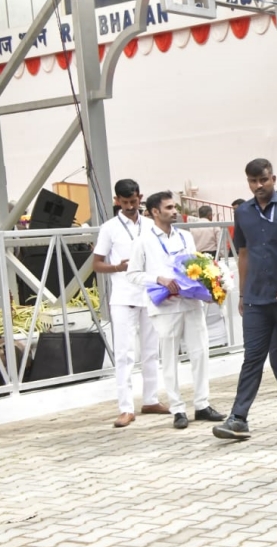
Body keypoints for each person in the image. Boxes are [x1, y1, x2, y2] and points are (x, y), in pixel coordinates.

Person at [213, 159, 277, 440]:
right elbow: (244, 254)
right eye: (252, 181)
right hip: (257, 299)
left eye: (263, 180)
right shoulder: (243, 212)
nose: (258, 186)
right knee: (252, 357)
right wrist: (243, 294)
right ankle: (238, 418)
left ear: (273, 178)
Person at [127, 191, 225, 430]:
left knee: (200, 352)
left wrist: (209, 285)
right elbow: (132, 274)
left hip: (191, 302)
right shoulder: (143, 240)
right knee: (170, 357)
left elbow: (196, 264)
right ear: (154, 212)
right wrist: (158, 279)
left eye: (174, 207)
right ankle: (178, 408)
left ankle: (202, 404)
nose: (174, 211)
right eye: (169, 207)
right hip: (165, 306)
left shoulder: (184, 236)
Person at [93, 179, 165, 427]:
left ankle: (151, 399)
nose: (130, 206)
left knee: (151, 350)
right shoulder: (109, 228)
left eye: (134, 202)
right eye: (125, 203)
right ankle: (126, 407)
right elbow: (96, 263)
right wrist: (117, 267)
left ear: (140, 197)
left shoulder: (150, 224)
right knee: (124, 354)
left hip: (149, 294)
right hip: (123, 297)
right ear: (117, 201)